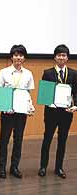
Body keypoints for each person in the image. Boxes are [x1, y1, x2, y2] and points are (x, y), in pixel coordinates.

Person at [0, 44, 35, 179]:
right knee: (4, 140)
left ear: (24, 58)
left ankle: (14, 167)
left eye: (21, 55)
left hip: (21, 112)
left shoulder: (28, 73)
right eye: (16, 55)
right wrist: (4, 107)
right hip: (7, 112)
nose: (18, 57)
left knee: (18, 140)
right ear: (11, 57)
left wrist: (30, 107)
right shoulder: (3, 72)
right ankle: (1, 168)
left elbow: (28, 93)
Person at [38, 44, 77, 179]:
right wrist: (49, 103)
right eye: (59, 55)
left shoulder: (73, 73)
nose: (61, 57)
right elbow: (44, 94)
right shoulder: (47, 72)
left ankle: (59, 167)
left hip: (66, 112)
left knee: (62, 140)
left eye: (64, 55)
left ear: (67, 58)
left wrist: (75, 106)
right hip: (51, 112)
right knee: (47, 138)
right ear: (55, 57)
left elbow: (76, 93)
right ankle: (43, 166)